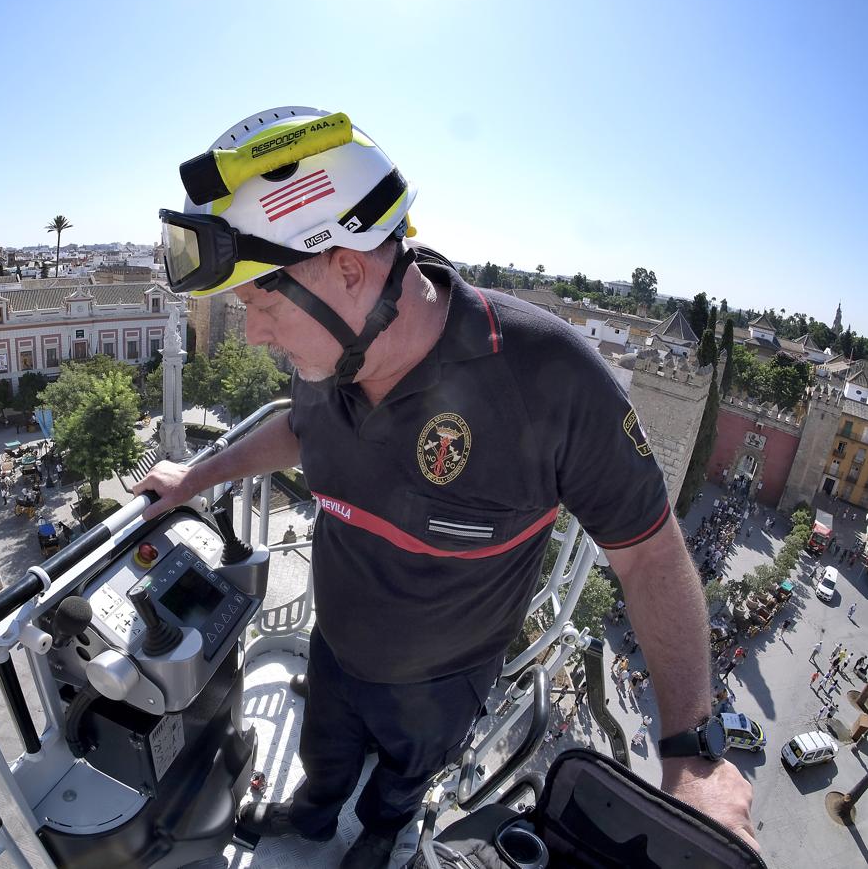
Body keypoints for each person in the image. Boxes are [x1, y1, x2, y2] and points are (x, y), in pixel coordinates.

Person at [135, 106, 755, 865]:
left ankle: (382, 836)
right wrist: (196, 475)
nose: (256, 333)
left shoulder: (547, 378)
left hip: (441, 682)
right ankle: (314, 816)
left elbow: (650, 558)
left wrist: (690, 751)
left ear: (349, 271)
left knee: (399, 787)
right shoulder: (330, 359)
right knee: (321, 761)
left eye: (260, 304)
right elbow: (300, 431)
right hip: (336, 644)